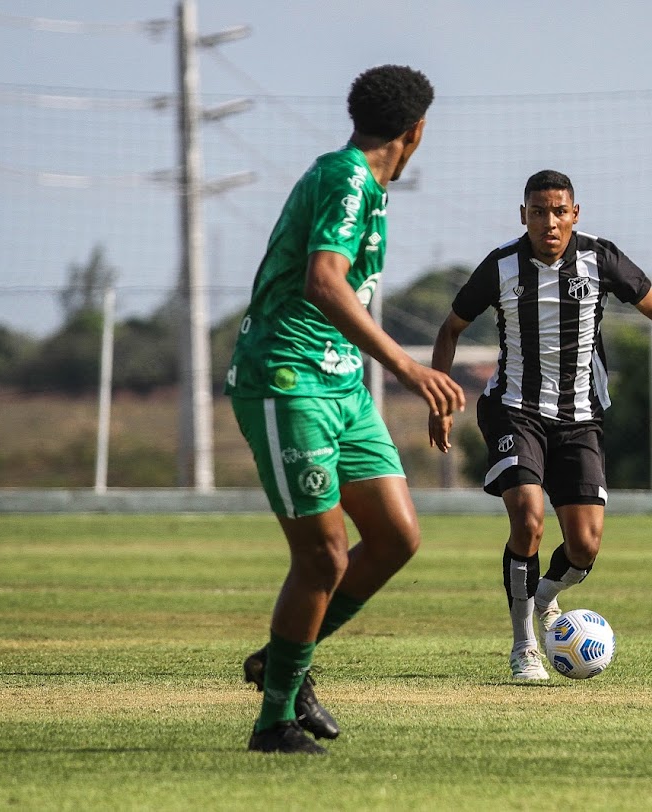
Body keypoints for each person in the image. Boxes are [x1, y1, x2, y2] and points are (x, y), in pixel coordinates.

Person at [224, 65, 465, 754]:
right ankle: (272, 724)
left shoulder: (371, 191)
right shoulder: (345, 178)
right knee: (324, 557)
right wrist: (407, 368)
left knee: (395, 536)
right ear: (415, 132)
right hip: (287, 378)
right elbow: (324, 281)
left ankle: (283, 661)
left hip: (340, 386)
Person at [428, 170, 652, 680]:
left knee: (585, 546)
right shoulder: (501, 266)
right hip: (513, 407)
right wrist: (437, 397)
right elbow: (450, 328)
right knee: (527, 517)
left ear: (575, 214)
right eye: (539, 211)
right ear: (523, 214)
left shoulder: (600, 258)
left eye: (559, 211)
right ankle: (524, 644)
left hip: (580, 416)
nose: (549, 222)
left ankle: (546, 597)